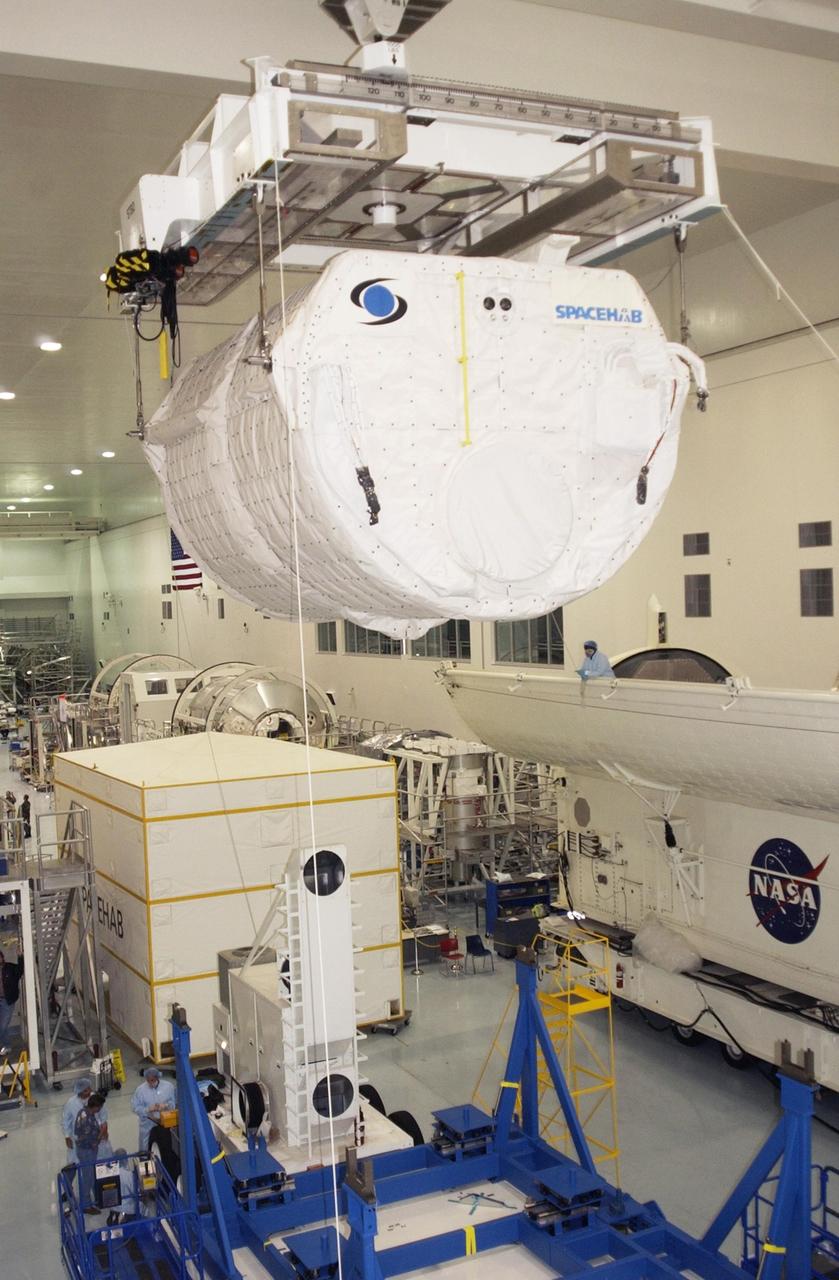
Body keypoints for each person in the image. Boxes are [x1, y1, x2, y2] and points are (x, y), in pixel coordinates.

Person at [62, 1077, 110, 1161]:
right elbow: (65, 1121)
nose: (90, 1091)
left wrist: (104, 1130)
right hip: (80, 1138)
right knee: (77, 1160)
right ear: (80, 1092)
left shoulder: (96, 1098)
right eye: (86, 1090)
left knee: (101, 1157)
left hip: (97, 1134)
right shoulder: (71, 1103)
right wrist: (67, 1136)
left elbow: (103, 1116)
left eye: (89, 1089)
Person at [74, 1092, 107, 1214]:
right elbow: (92, 1141)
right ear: (96, 1107)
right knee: (88, 1178)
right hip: (87, 1151)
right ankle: (86, 1205)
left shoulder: (83, 1112)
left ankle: (94, 1198)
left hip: (83, 1149)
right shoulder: (87, 1119)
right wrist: (101, 1134)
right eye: (100, 1107)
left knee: (90, 1175)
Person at [131, 1066, 176, 1150]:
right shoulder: (140, 1090)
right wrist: (147, 1109)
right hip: (148, 1122)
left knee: (167, 1143)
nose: (150, 1083)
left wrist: (166, 1105)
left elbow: (173, 1103)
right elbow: (135, 1107)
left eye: (152, 1080)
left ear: (157, 1078)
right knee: (145, 1143)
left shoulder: (168, 1087)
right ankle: (144, 1158)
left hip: (165, 1121)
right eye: (147, 1080)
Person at [0, 950, 23, 1051]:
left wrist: (20, 957)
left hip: (7, 1001)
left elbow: (20, 970)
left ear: (2, 957)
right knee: (2, 1026)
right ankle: (7, 1046)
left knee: (2, 1026)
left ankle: (7, 1045)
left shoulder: (10, 967)